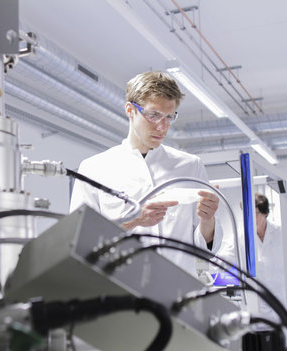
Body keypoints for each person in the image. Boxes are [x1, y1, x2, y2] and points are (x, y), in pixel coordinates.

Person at [69, 71, 222, 273]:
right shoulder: (94, 168)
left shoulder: (190, 166)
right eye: (153, 115)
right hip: (120, 292)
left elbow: (204, 250)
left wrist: (207, 219)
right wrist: (134, 221)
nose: (163, 126)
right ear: (130, 110)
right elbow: (80, 240)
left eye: (169, 117)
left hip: (177, 292)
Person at [254, 193, 287, 342]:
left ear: (265, 213)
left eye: (256, 213)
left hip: (285, 298)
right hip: (260, 303)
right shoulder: (243, 236)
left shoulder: (281, 232)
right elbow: (224, 257)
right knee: (265, 347)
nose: (251, 217)